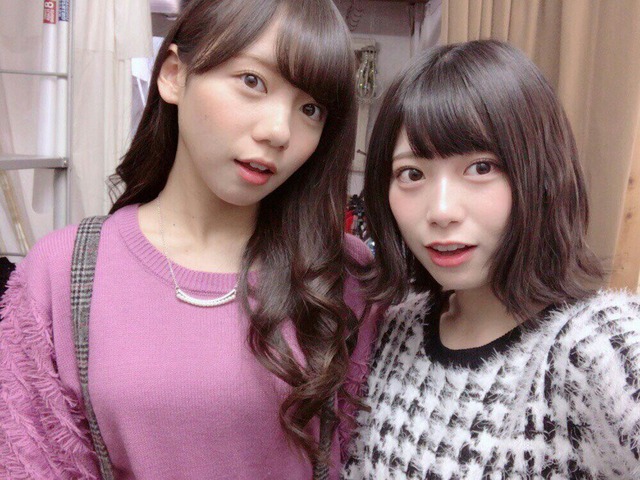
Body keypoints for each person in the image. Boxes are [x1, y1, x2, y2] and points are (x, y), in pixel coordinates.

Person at [0, 1, 378, 478]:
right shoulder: (63, 271)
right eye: (253, 81)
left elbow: (363, 456)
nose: (279, 132)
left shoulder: (343, 274)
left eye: (310, 109)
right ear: (175, 75)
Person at [342, 40, 640, 479]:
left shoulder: (595, 346)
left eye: (481, 167)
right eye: (412, 174)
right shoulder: (392, 330)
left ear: (541, 175)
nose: (442, 211)